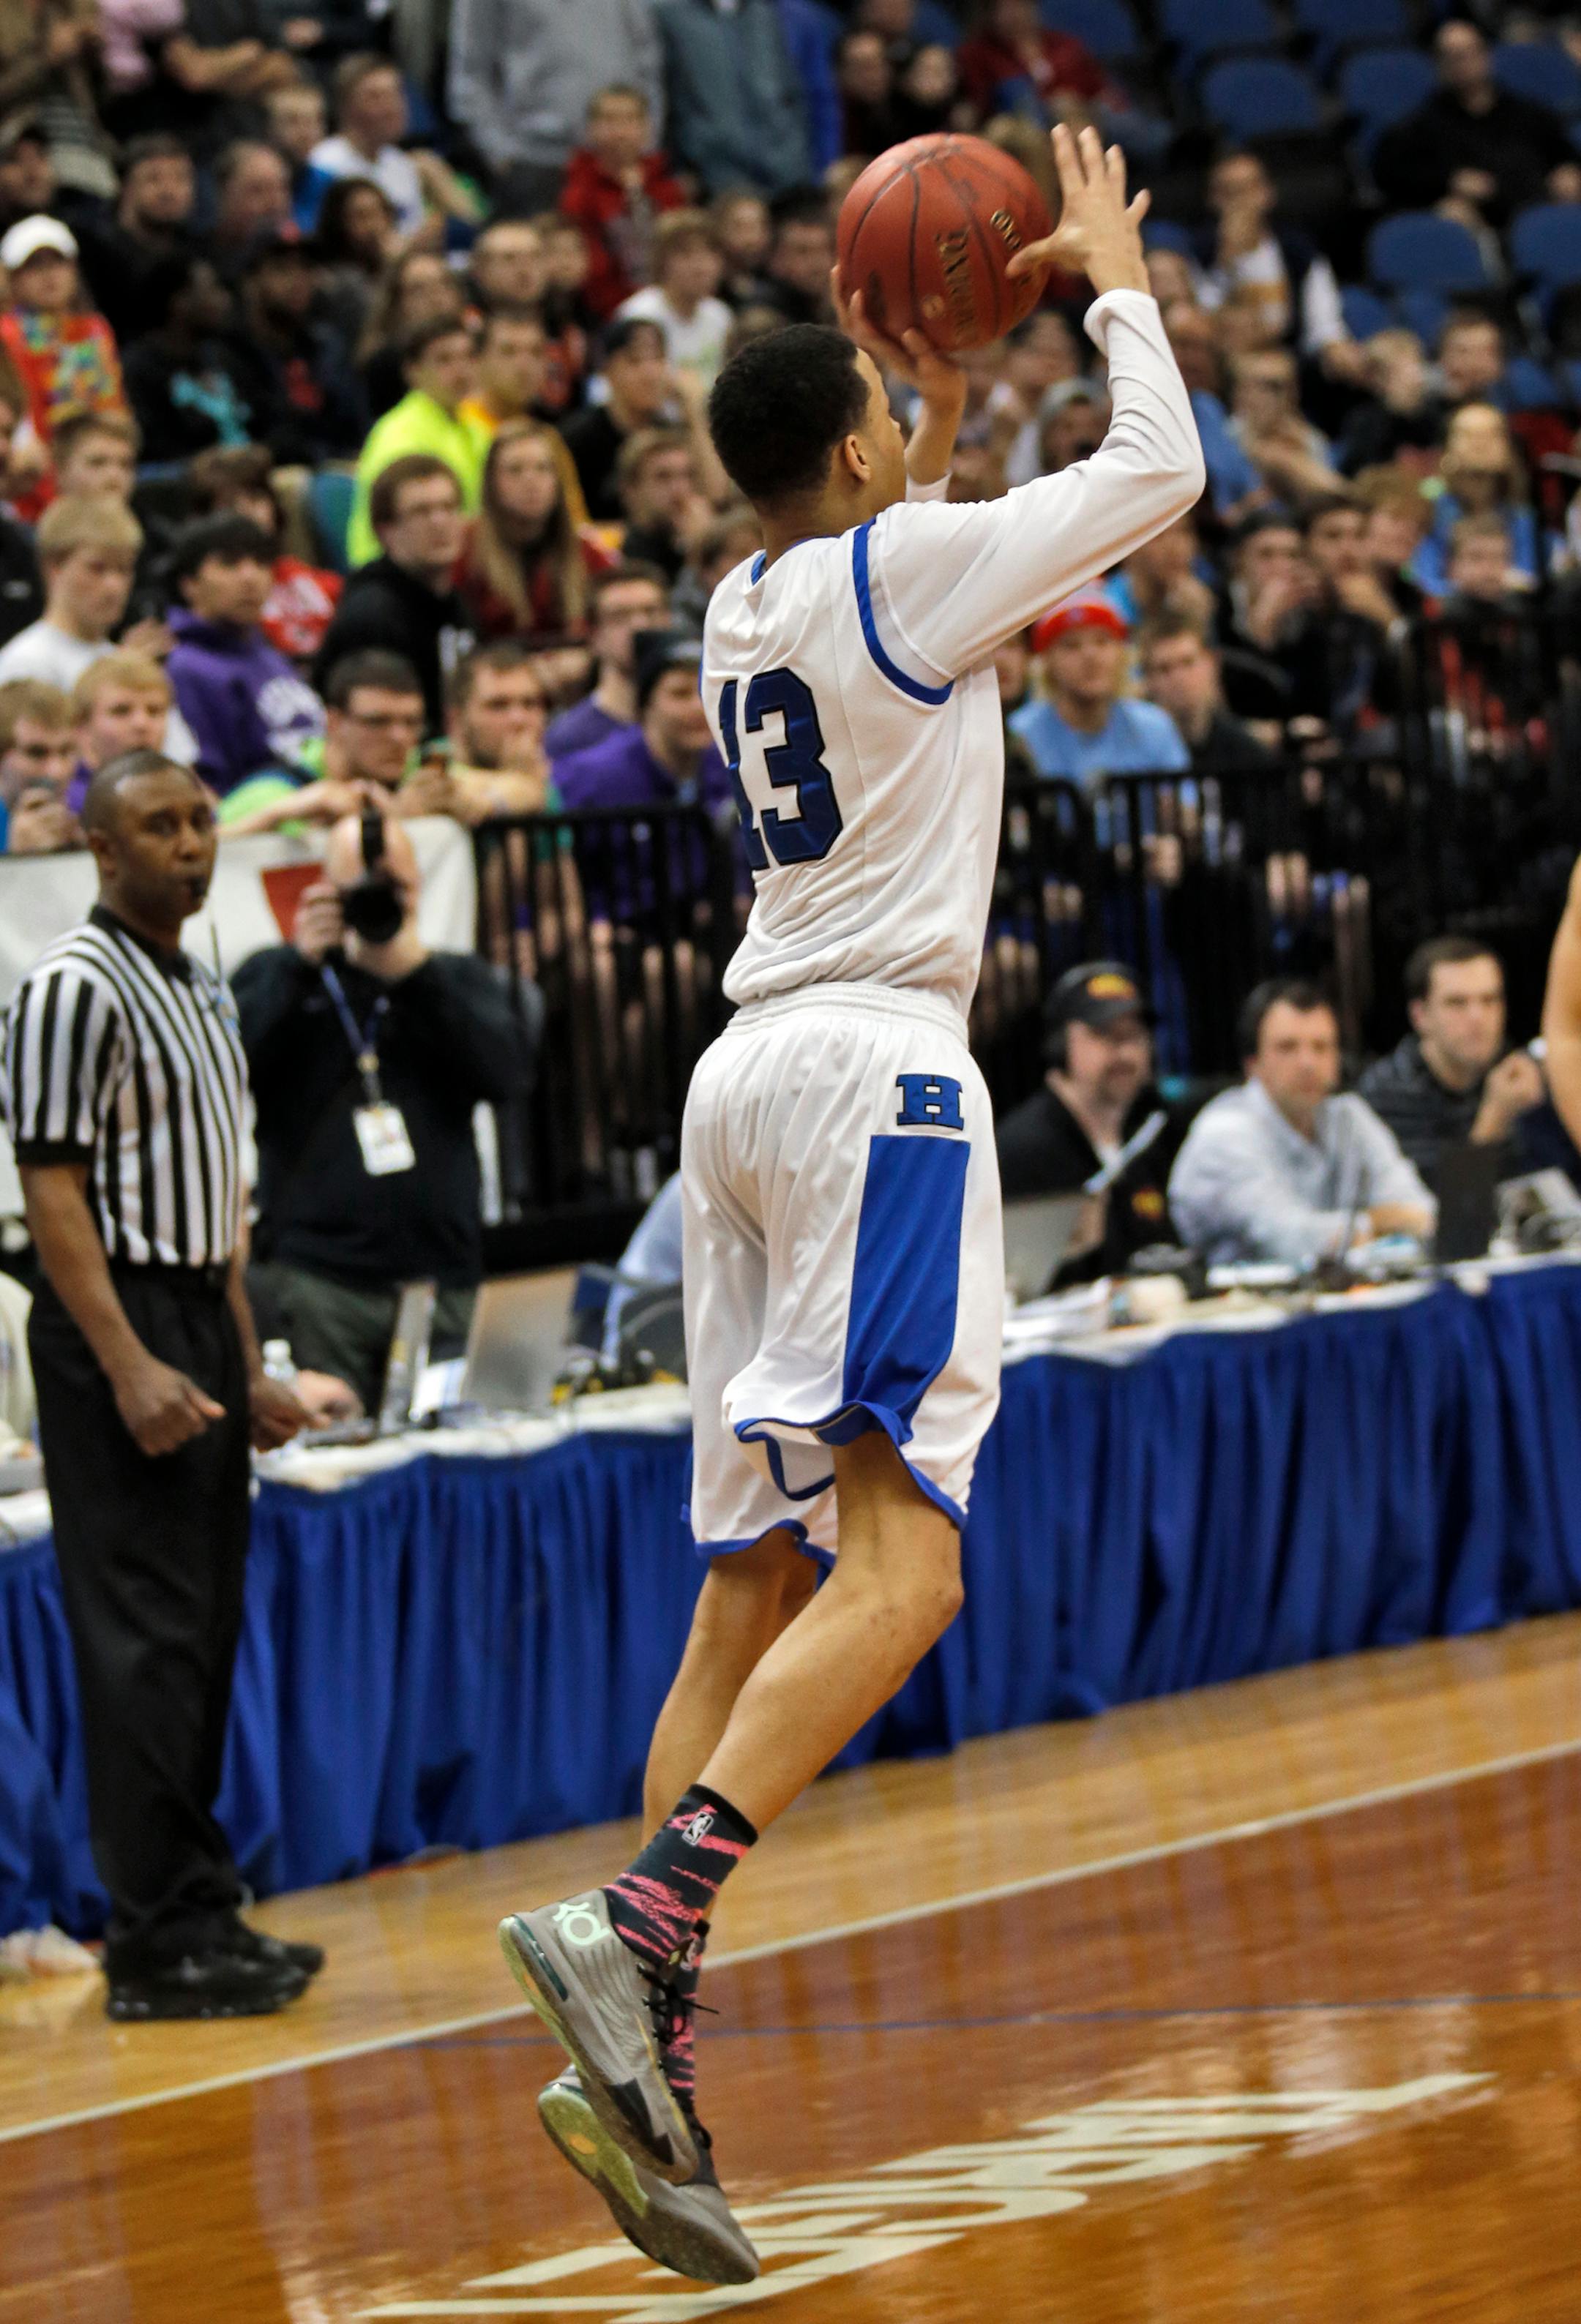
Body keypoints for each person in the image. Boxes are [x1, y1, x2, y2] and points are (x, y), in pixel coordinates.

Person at [498, 122, 1201, 2284]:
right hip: (879, 1083)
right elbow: (1156, 474)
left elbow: (898, 522)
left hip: (737, 1092)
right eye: (897, 414)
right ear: (856, 442)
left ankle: (640, 2049)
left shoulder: (747, 592)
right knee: (909, 1565)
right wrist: (1102, 280)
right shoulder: (910, 568)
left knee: (747, 1583)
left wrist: (925, 401)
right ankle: (645, 1913)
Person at [1, 748, 316, 2021]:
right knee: (141, 1643)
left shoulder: (200, 981)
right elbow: (52, 1190)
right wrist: (131, 1362)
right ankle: (150, 1942)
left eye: (200, 821)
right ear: (102, 850)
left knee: (199, 1636)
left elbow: (216, 1210)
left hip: (194, 1310)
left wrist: (246, 1364)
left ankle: (198, 1908)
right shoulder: (72, 989)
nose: (192, 844)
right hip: (109, 1322)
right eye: (160, 826)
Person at [233, 810, 539, 1415]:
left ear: (418, 890)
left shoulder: (453, 978)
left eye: (394, 889)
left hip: (443, 1283)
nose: (379, 904)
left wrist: (416, 974)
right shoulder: (282, 975)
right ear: (326, 891)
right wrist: (301, 967)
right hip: (323, 1285)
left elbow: (509, 1075)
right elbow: (226, 1066)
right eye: (361, 891)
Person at [1169, 980, 1435, 1267]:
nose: (1307, 1063)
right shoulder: (1225, 1133)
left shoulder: (1350, 1116)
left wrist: (1392, 1224)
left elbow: (1423, 1212)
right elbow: (1293, 1240)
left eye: (1321, 1047)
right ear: (1252, 1064)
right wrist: (1379, 1221)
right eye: (1287, 1048)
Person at [995, 960, 1188, 1284]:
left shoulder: (1150, 1132)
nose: (1125, 1053)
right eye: (1104, 1035)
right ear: (1060, 1045)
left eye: (1135, 1035)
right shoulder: (1023, 1150)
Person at [446, 0, 662, 218]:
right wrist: (502, 155)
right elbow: (471, 75)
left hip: (617, 164)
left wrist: (647, 144)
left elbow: (648, 64)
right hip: (534, 161)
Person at [1358, 937, 1544, 1187]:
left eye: (1489, 1000)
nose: (1478, 1017)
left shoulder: (1516, 1072)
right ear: (1420, 1016)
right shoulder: (1387, 1092)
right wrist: (1494, 1120)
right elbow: (1431, 1210)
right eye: (1457, 1003)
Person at [165, 514, 326, 797]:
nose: (250, 578)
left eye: (261, 564)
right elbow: (213, 786)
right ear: (189, 584)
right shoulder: (186, 667)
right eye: (230, 564)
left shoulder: (268, 654)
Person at [315, 456, 476, 734]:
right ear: (385, 530)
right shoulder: (373, 614)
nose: (439, 522)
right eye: (421, 512)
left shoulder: (454, 599)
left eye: (449, 508)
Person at [1375, 18, 1581, 229]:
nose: (1465, 64)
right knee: (1453, 214)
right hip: (1482, 220)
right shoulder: (1425, 124)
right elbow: (1392, 172)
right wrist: (1449, 181)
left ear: (1487, 55)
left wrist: (1567, 169)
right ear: (1440, 65)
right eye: (1454, 57)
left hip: (1535, 206)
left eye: (1471, 52)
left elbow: (1563, 150)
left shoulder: (1526, 112)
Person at [348, 313, 487, 567]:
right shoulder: (398, 435)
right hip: (397, 574)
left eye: (469, 357)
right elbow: (401, 534)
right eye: (444, 360)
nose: (461, 370)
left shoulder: (476, 428)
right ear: (413, 371)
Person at [457, 419, 612, 643]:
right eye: (515, 470)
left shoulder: (586, 552)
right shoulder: (464, 550)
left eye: (543, 468)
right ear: (491, 482)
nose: (531, 481)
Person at [1009, 592, 1188, 785]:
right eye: (1072, 646)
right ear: (1047, 663)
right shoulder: (1021, 736)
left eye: (1102, 641)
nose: (1090, 656)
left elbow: (1186, 807)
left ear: (1123, 655)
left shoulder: (1155, 727)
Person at [308, 51, 479, 243]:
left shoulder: (400, 164)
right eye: (376, 97)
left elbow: (471, 222)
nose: (393, 107)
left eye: (396, 94)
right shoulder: (325, 164)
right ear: (346, 107)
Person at [555, 628, 728, 812]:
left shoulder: (729, 768)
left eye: (706, 691)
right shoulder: (594, 779)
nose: (698, 707)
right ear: (646, 706)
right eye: (680, 694)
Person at [652, 0, 812, 197]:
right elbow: (672, 98)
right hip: (717, 173)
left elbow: (790, 88)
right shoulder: (672, 16)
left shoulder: (764, 14)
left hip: (785, 169)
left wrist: (796, 150)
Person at [561, 84, 687, 323]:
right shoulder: (578, 190)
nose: (620, 132)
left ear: (647, 128)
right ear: (591, 129)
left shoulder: (667, 188)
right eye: (609, 121)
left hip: (670, 306)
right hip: (603, 315)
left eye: (629, 120)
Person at [73, 132, 197, 345]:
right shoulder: (96, 253)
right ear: (125, 186)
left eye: (180, 179)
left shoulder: (196, 251)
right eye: (153, 179)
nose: (169, 191)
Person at [544, 561, 670, 759]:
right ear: (594, 636)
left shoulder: (699, 723)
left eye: (651, 612)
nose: (640, 626)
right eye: (619, 617)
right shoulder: (569, 739)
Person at [561, 316, 675, 522]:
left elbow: (716, 497)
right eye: (635, 361)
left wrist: (695, 414)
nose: (650, 373)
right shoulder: (577, 438)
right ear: (607, 370)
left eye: (658, 359)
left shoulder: (671, 434)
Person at [1138, 615, 1277, 774]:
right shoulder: (1135, 757)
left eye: (1188, 662)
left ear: (1211, 665)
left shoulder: (1248, 755)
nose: (1179, 678)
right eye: (1164, 669)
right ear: (1148, 679)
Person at [617, 210, 733, 389]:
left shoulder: (721, 316)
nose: (701, 266)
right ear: (662, 261)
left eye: (709, 253)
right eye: (686, 255)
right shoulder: (639, 315)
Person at [615, 428, 708, 583]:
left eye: (687, 476)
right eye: (663, 477)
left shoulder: (696, 538)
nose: (679, 489)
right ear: (631, 490)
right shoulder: (624, 557)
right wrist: (699, 550)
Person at [0, 675, 75, 851]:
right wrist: (16, 859)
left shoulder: (87, 815)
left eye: (65, 752)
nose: (56, 772)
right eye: (36, 753)